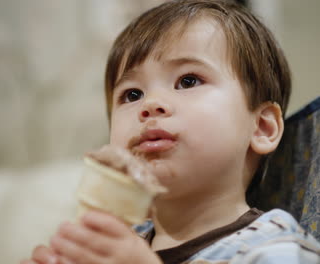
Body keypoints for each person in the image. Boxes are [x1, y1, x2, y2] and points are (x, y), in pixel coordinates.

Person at [21, 0, 320, 263]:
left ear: (262, 127)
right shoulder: (115, 245)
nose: (149, 105)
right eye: (132, 95)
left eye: (188, 81)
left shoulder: (273, 247)